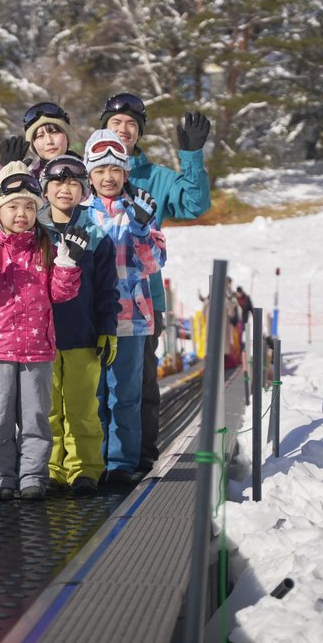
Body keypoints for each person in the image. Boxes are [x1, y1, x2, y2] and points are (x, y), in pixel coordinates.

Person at [0, 160, 82, 502]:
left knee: (36, 418)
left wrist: (67, 265)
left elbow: (61, 294)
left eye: (29, 206)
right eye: (13, 206)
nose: (21, 214)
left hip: (36, 348)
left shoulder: (45, 245)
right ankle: (0, 478)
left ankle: (32, 477)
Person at [100, 92, 210, 473]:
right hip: (92, 299)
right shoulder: (88, 173)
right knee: (95, 384)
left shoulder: (156, 178)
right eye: (116, 123)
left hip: (142, 299)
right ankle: (94, 457)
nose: (124, 129)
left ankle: (140, 456)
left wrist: (192, 157)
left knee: (141, 381)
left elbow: (194, 204)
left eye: (131, 124)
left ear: (139, 132)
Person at [81, 130, 166, 485]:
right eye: (100, 170)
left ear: (126, 172)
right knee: (94, 395)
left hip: (132, 319)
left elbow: (154, 263)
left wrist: (142, 229)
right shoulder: (81, 213)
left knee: (125, 396)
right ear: (89, 174)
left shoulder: (140, 210)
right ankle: (93, 462)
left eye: (115, 169)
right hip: (91, 320)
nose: (108, 177)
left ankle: (121, 463)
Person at [38, 152, 121, 496]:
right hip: (40, 340)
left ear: (84, 190)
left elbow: (107, 289)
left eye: (74, 183)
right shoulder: (33, 233)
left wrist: (107, 329)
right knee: (47, 410)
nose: (65, 189)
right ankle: (50, 468)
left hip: (82, 335)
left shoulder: (96, 235)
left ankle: (84, 468)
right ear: (44, 189)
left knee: (83, 408)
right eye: (58, 182)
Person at [0, 102, 74, 227]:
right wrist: (4, 172)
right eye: (40, 136)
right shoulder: (28, 182)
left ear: (67, 137)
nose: (49, 141)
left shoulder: (90, 172)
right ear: (33, 144)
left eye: (54, 132)